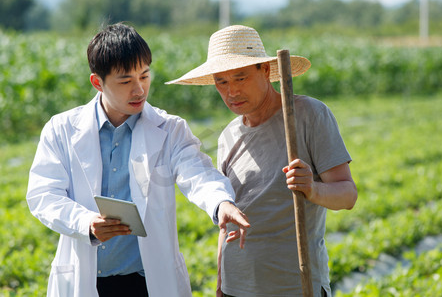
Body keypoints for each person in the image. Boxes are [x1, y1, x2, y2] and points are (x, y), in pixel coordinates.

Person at [26, 22, 250, 297]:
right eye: (126, 81)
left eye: (144, 76)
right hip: (87, 280)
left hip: (148, 282)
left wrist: (221, 202)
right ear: (98, 82)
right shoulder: (61, 129)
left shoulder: (170, 129)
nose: (139, 90)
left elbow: (197, 172)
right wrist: (85, 223)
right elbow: (43, 194)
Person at [166, 25, 358, 297]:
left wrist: (312, 189)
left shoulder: (308, 115)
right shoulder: (229, 136)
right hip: (237, 285)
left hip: (295, 285)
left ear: (265, 71)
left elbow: (347, 195)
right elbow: (228, 218)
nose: (231, 91)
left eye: (240, 77)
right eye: (221, 82)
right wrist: (220, 285)